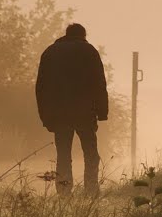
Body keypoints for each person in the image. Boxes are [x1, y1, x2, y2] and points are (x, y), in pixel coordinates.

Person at [35, 23, 108, 194]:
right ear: (83, 35)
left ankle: (64, 193)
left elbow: (41, 87)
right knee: (91, 153)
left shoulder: (50, 52)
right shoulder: (89, 51)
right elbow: (99, 83)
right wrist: (102, 112)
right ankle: (91, 190)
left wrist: (45, 116)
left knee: (63, 155)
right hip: (85, 112)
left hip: (60, 113)